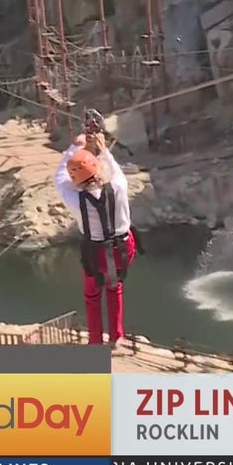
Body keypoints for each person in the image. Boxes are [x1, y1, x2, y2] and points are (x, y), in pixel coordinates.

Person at [54, 131, 136, 347]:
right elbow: (115, 169)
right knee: (115, 288)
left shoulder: (74, 198)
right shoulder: (118, 187)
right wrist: (103, 149)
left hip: (96, 252)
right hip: (123, 247)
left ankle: (95, 340)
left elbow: (59, 178)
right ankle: (116, 336)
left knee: (92, 296)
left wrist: (75, 146)